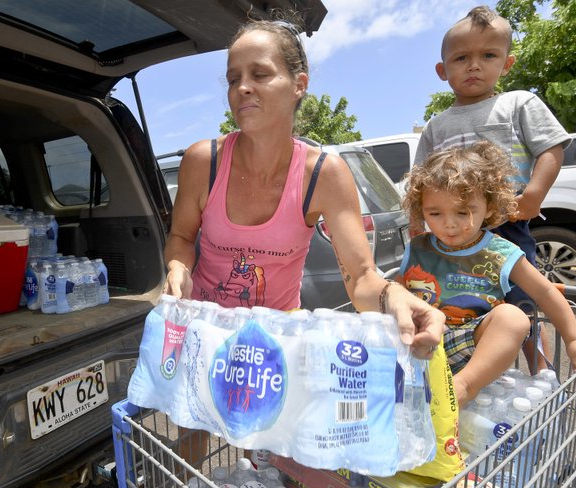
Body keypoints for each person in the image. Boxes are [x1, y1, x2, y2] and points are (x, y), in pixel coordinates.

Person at [161, 16, 445, 464]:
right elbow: (181, 237)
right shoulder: (203, 162)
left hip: (276, 346)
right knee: (195, 435)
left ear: (299, 84)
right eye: (234, 79)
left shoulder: (323, 175)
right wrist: (178, 267)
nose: (242, 88)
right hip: (207, 335)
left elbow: (362, 278)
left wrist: (393, 296)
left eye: (260, 74)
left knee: (266, 449)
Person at [414, 5, 571, 373]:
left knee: (523, 303)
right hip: (452, 233)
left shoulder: (518, 103)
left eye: (488, 55)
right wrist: (418, 227)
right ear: (442, 70)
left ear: (507, 63)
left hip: (507, 224)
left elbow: (551, 148)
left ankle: (541, 373)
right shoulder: (436, 126)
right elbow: (420, 180)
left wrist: (532, 196)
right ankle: (469, 373)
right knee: (458, 304)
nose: (474, 65)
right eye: (461, 58)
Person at [399, 142, 576, 406]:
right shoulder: (418, 247)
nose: (449, 224)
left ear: (489, 207)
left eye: (463, 212)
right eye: (435, 213)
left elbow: (545, 291)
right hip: (418, 344)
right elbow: (395, 293)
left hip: (472, 347)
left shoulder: (500, 252)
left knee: (513, 316)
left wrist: (574, 339)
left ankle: (463, 387)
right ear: (421, 209)